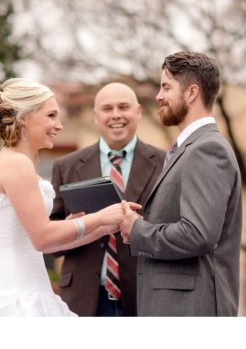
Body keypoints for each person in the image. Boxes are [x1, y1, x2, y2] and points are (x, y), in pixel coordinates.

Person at [0, 78, 125, 317]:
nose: (59, 125)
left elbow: (40, 239)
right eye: (51, 115)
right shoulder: (16, 163)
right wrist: (98, 218)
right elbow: (42, 238)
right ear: (25, 117)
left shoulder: (16, 161)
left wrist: (101, 227)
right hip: (13, 300)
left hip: (30, 290)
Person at [120, 51, 243, 316]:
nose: (158, 96)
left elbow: (197, 235)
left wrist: (138, 230)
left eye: (166, 87)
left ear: (192, 93)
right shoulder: (188, 148)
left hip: (191, 311)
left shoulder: (207, 149)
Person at [50, 82, 165, 316]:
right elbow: (50, 242)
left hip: (144, 294)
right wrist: (73, 226)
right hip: (83, 297)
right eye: (107, 108)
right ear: (95, 116)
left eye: (123, 107)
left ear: (138, 112)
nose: (116, 115)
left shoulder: (166, 163)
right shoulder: (66, 166)